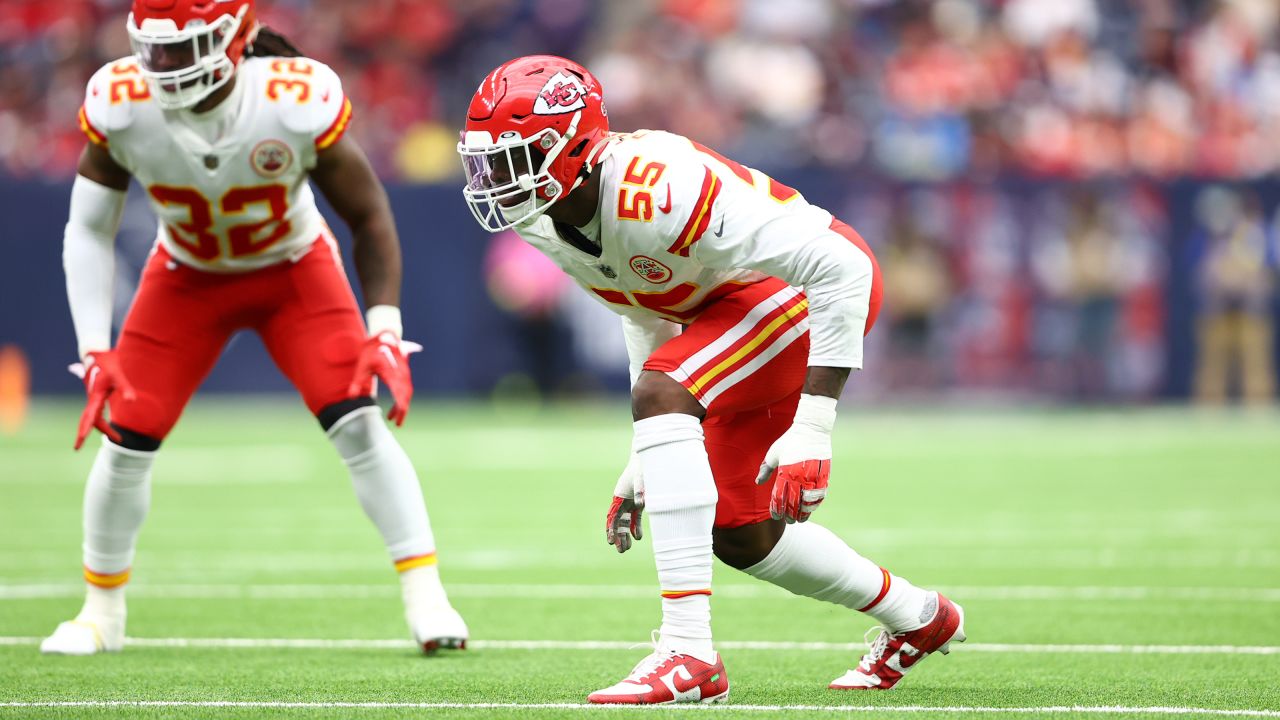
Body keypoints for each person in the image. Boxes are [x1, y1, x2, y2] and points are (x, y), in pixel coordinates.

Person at [456, 55, 965, 704]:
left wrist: (814, 426)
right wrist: (647, 447)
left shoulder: (660, 186)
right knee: (740, 532)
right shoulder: (541, 216)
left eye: (515, 157)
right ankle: (920, 617)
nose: (496, 177)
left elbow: (842, 268)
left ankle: (689, 654)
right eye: (488, 158)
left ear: (574, 146)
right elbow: (640, 305)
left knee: (664, 392)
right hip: (732, 311)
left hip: (805, 292)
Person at [41, 0, 466, 656]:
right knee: (124, 440)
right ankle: (102, 612)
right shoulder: (119, 99)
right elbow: (88, 230)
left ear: (235, 38)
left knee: (358, 420)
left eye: (184, 48)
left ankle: (425, 594)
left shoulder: (292, 97)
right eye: (153, 49)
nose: (164, 66)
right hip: (185, 276)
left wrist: (384, 326)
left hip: (292, 270)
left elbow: (370, 215)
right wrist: (94, 349)